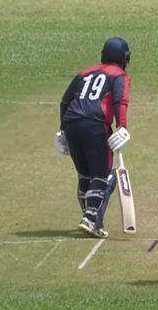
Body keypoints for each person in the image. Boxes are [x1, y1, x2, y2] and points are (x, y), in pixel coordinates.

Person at [55, 37, 132, 239]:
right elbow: (120, 101)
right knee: (102, 175)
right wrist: (122, 127)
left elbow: (64, 101)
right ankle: (90, 219)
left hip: (72, 123)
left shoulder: (85, 72)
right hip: (95, 125)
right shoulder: (120, 75)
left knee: (85, 175)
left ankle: (88, 217)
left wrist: (63, 129)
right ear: (125, 58)